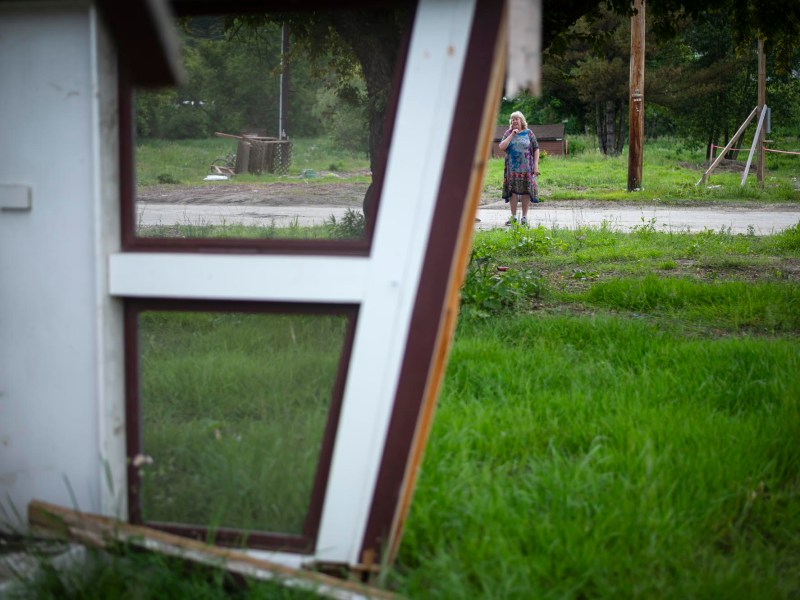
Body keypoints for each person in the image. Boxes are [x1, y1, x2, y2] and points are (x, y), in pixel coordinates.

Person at [498, 111, 540, 226]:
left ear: (521, 121)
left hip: (527, 168)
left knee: (526, 191)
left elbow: (536, 148)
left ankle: (525, 217)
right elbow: (501, 147)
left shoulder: (529, 133)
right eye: (512, 119)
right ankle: (514, 217)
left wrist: (536, 165)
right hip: (512, 169)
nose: (514, 121)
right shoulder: (508, 133)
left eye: (517, 119)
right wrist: (512, 135)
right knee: (513, 192)